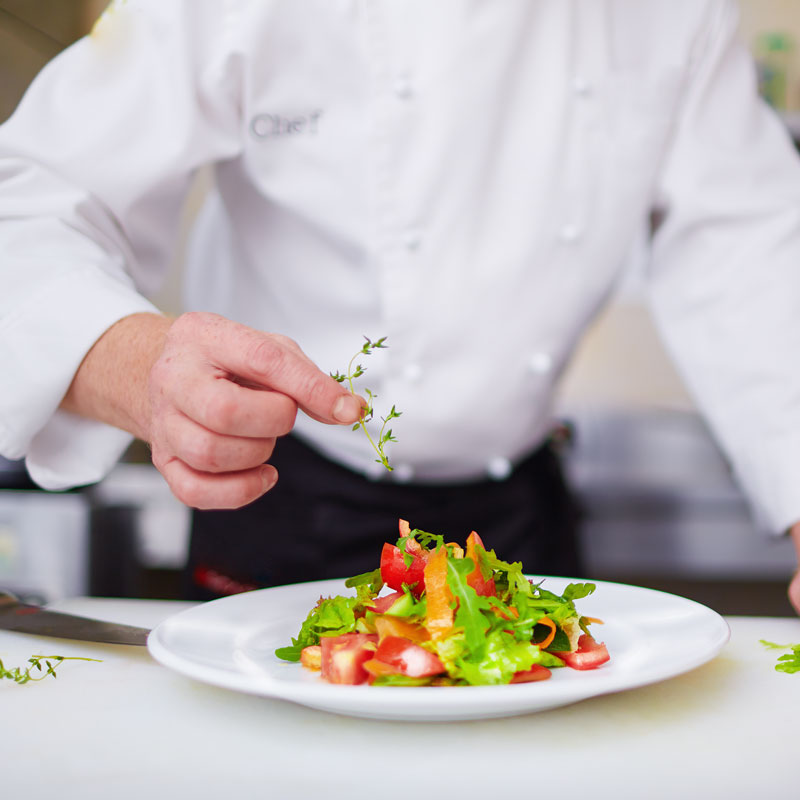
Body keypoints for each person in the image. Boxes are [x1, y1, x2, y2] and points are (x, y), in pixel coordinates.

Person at [1, 0, 799, 608]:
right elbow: (33, 203)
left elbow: (748, 248)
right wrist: (138, 366)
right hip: (286, 500)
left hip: (515, 518)